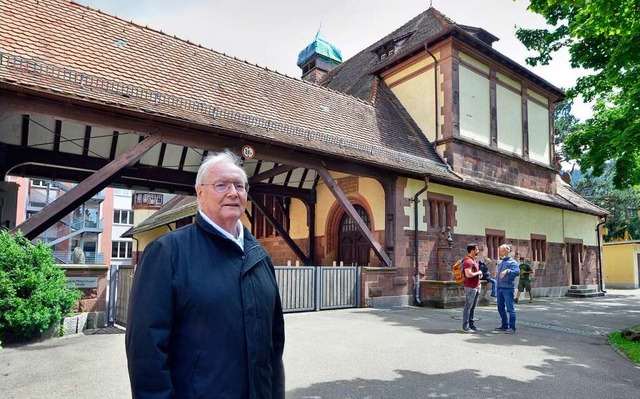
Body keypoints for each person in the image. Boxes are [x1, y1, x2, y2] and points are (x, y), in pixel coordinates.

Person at [125, 149, 285, 399]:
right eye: (221, 185)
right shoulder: (167, 253)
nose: (233, 193)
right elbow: (147, 353)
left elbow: (273, 350)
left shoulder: (260, 258)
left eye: (239, 186)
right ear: (200, 192)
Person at [494, 244, 520, 334]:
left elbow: (517, 272)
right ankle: (505, 325)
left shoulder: (513, 262)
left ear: (508, 251)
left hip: (508, 288)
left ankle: (512, 328)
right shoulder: (500, 262)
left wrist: (508, 271)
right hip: (499, 287)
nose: (501, 253)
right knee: (500, 308)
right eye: (500, 251)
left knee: (510, 309)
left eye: (503, 251)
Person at [460, 243, 482, 333]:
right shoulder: (468, 261)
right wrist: (478, 272)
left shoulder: (474, 261)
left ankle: (471, 325)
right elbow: (468, 274)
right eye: (477, 249)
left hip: (475, 287)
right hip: (470, 287)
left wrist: (479, 283)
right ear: (472, 250)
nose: (478, 251)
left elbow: (475, 274)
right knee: (468, 307)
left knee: (472, 307)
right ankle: (465, 326)